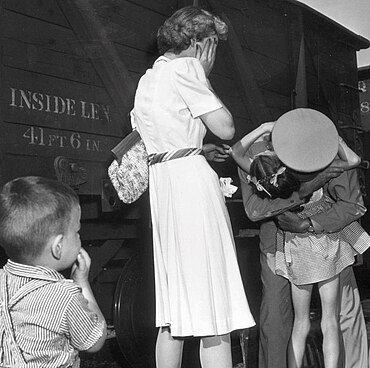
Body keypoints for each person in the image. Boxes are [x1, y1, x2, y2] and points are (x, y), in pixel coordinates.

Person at [130, 6, 255, 368]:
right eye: (212, 44)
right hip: (190, 187)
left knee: (174, 313)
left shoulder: (149, 77)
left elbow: (161, 135)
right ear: (199, 42)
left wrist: (196, 146)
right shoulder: (188, 69)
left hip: (165, 185)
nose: (213, 53)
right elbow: (227, 128)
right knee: (213, 311)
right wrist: (205, 75)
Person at [231, 121, 370, 368]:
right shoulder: (271, 159)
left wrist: (308, 224)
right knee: (299, 319)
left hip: (307, 242)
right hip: (307, 245)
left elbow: (352, 204)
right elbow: (254, 210)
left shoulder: (265, 165)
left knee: (330, 317)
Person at [0, 176, 107, 368]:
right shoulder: (64, 296)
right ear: (58, 247)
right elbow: (95, 340)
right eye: (77, 231)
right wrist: (82, 282)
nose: (79, 237)